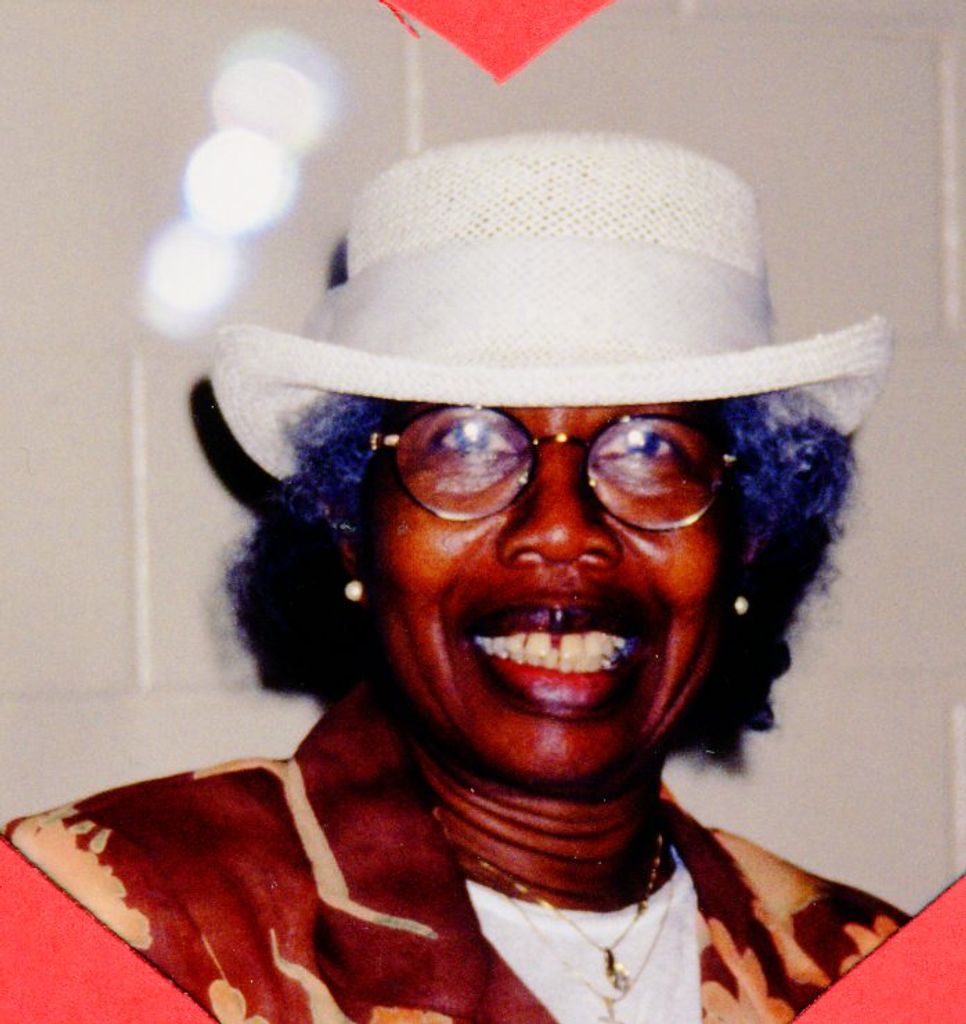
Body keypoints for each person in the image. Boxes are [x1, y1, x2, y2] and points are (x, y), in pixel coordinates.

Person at [7, 134, 906, 1024]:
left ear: (748, 536)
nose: (561, 529)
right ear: (351, 528)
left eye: (650, 448)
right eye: (467, 442)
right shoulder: (106, 919)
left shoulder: (863, 970)